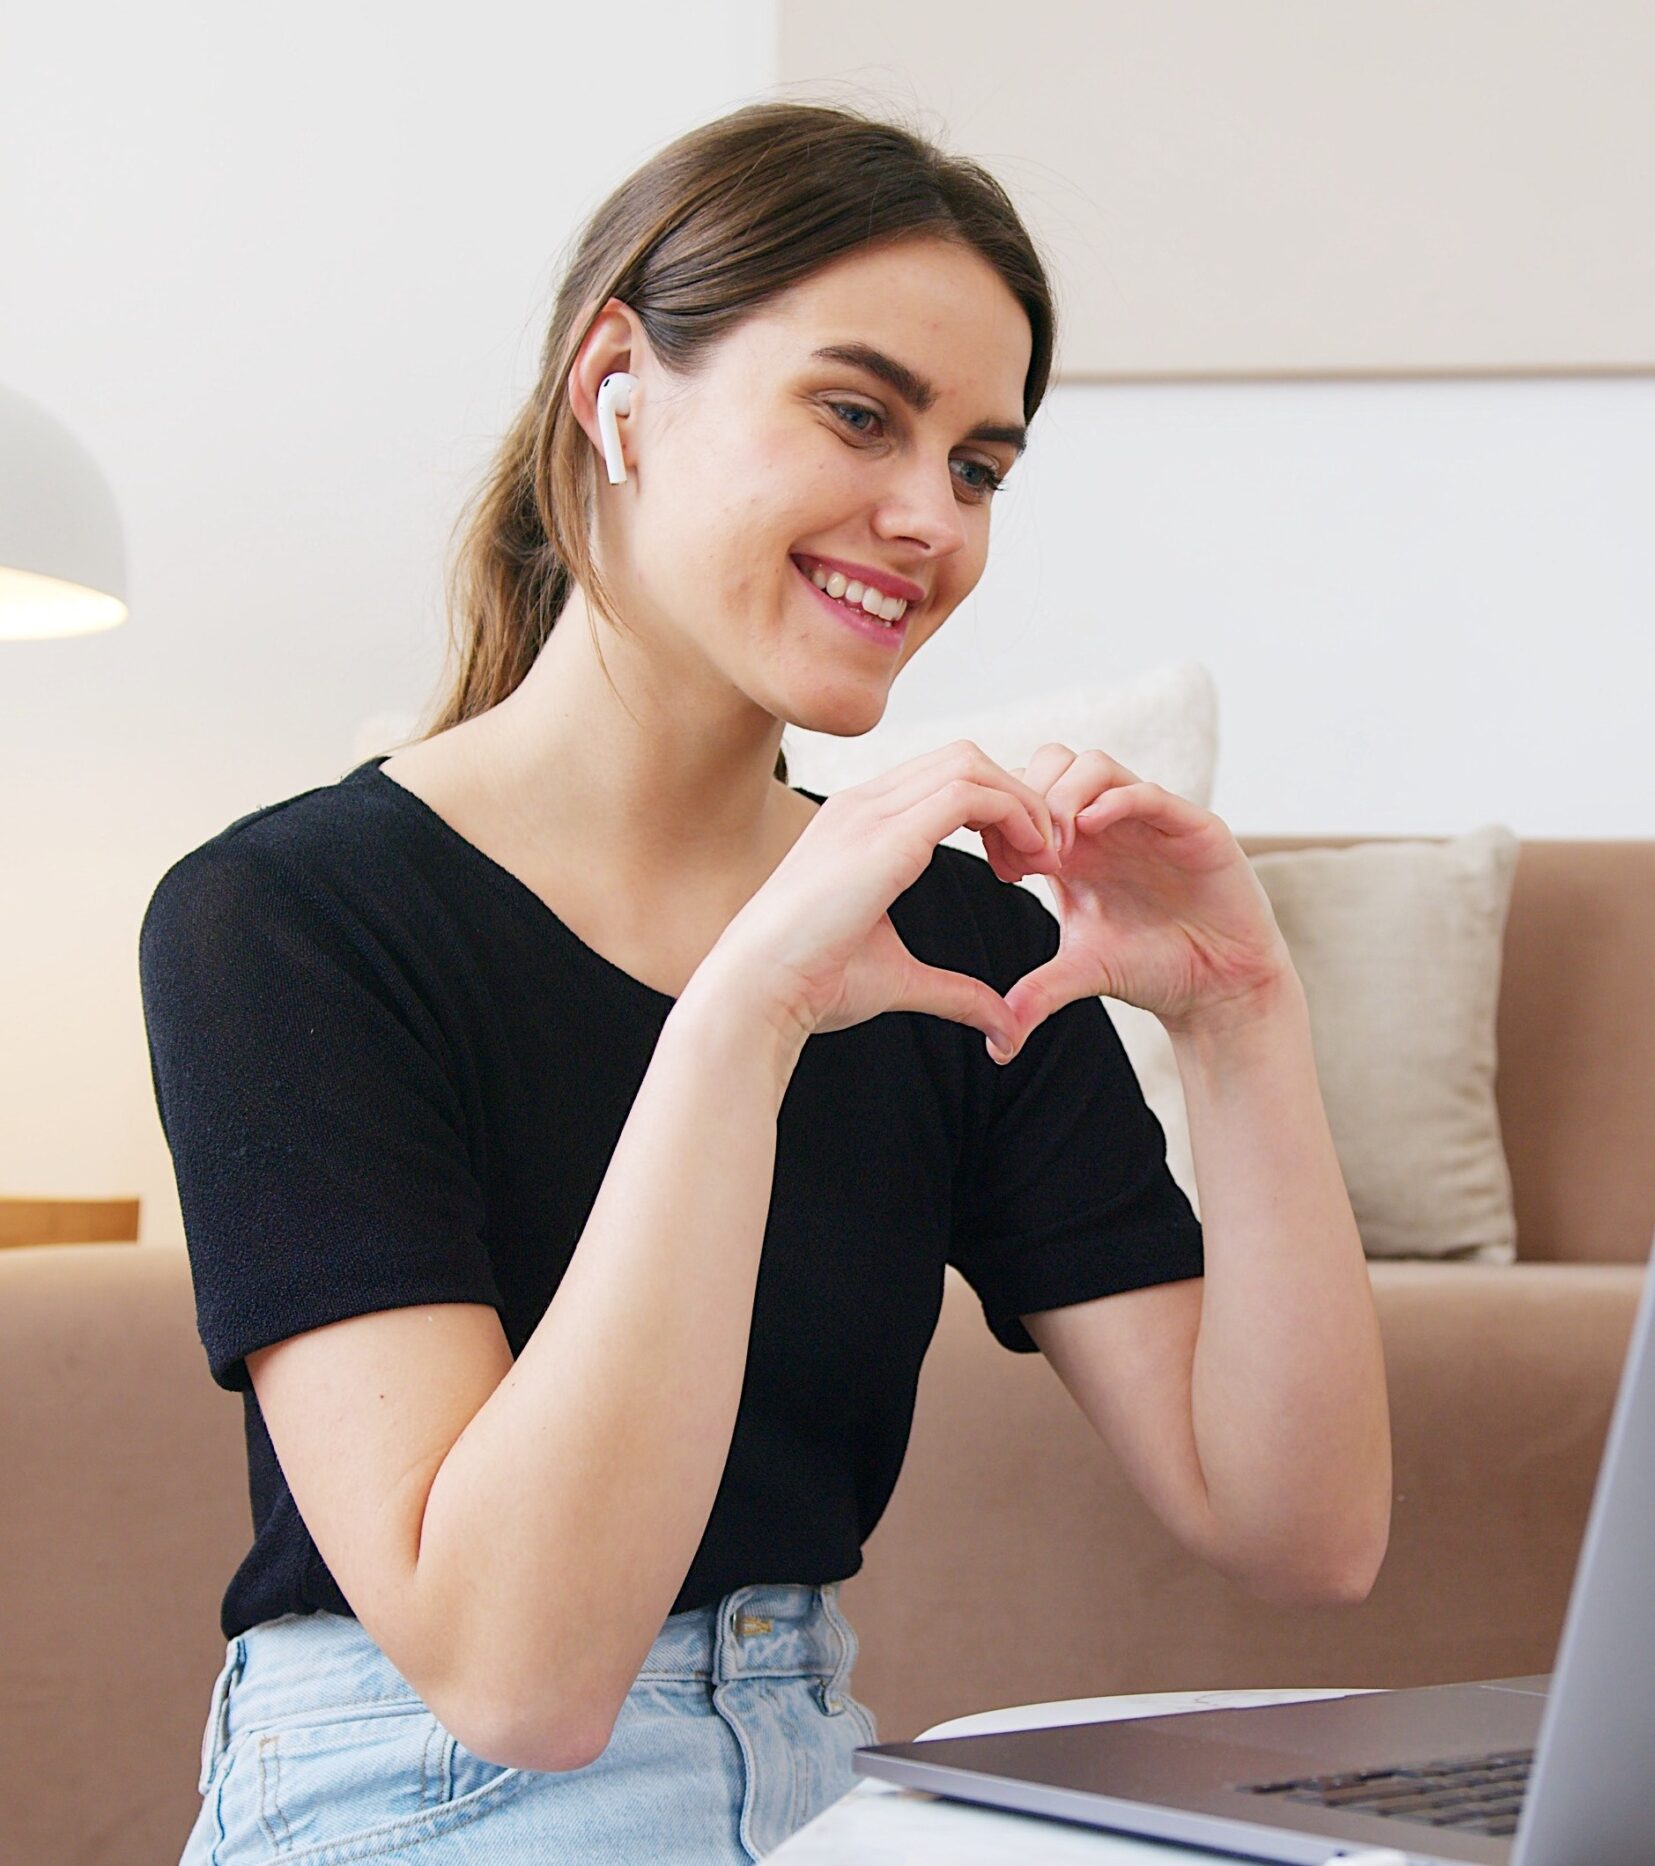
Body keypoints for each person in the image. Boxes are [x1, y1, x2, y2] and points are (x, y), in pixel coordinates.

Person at [141, 100, 1390, 1864]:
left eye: (978, 466)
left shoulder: (953, 939)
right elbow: (520, 1673)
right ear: (617, 388)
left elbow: (1299, 1530)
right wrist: (747, 1009)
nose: (926, 520)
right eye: (860, 413)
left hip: (812, 1781)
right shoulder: (282, 920)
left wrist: (1245, 1016)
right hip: (410, 1793)